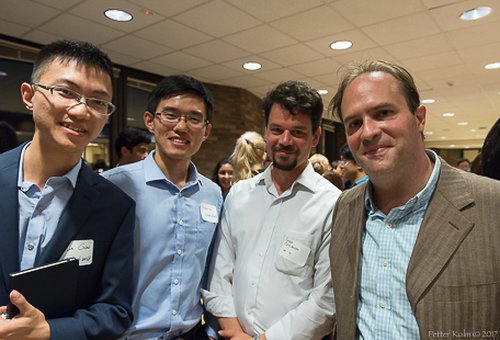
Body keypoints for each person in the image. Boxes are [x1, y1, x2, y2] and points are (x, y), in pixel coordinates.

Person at [329, 60, 500, 339]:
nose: (369, 132)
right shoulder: (345, 207)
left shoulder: (492, 205)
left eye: (383, 113)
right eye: (354, 123)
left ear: (419, 118)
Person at [0, 40, 135, 339]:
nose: (81, 110)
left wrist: (50, 330)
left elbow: (115, 310)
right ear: (29, 95)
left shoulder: (115, 206)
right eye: (66, 92)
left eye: (98, 102)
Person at [203, 80, 341, 340]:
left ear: (316, 136)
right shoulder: (239, 195)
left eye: (298, 132)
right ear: (265, 131)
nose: (284, 140)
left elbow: (325, 300)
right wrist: (233, 331)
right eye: (276, 129)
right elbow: (220, 273)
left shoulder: (332, 204)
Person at [102, 74, 223, 340]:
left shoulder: (213, 195)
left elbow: (211, 271)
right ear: (150, 121)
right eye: (170, 115)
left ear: (206, 130)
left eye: (193, 118)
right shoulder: (114, 186)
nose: (181, 127)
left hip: (192, 332)